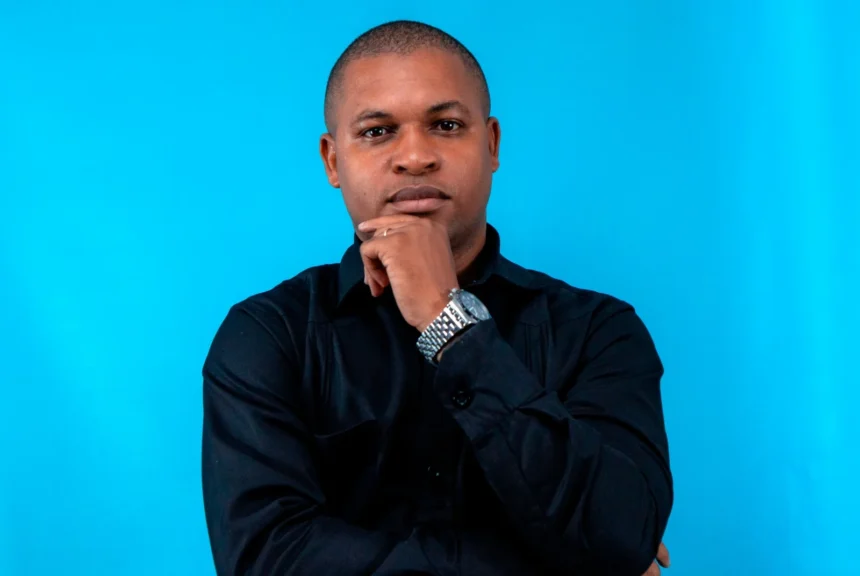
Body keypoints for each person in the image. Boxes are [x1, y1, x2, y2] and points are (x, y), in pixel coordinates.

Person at [202, 20, 673, 576]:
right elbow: (265, 560)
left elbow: (621, 532)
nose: (415, 156)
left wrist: (448, 320)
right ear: (332, 160)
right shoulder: (268, 336)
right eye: (378, 131)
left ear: (491, 144)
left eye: (446, 125)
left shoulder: (597, 331)